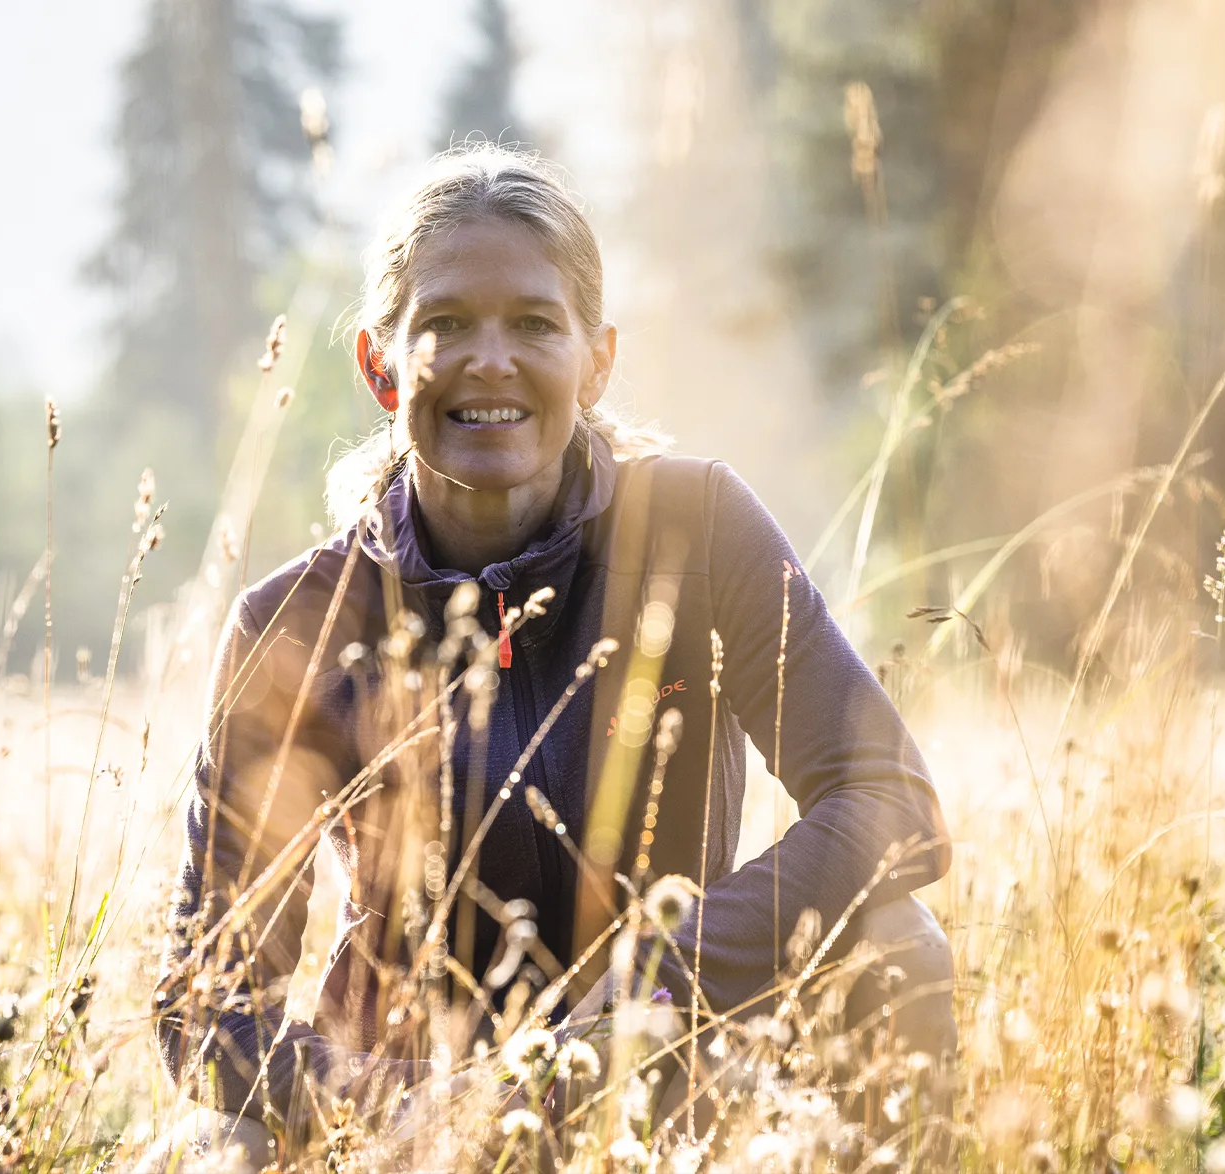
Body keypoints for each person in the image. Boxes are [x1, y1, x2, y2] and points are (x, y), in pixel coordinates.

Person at [143, 145, 953, 1172]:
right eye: (443, 323)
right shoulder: (295, 622)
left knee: (898, 943)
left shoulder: (698, 528)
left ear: (596, 357)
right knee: (210, 1146)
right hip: (410, 1116)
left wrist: (652, 982)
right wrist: (417, 1105)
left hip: (673, 1061)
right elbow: (204, 1001)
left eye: (532, 322)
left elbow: (888, 800)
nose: (490, 359)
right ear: (378, 362)